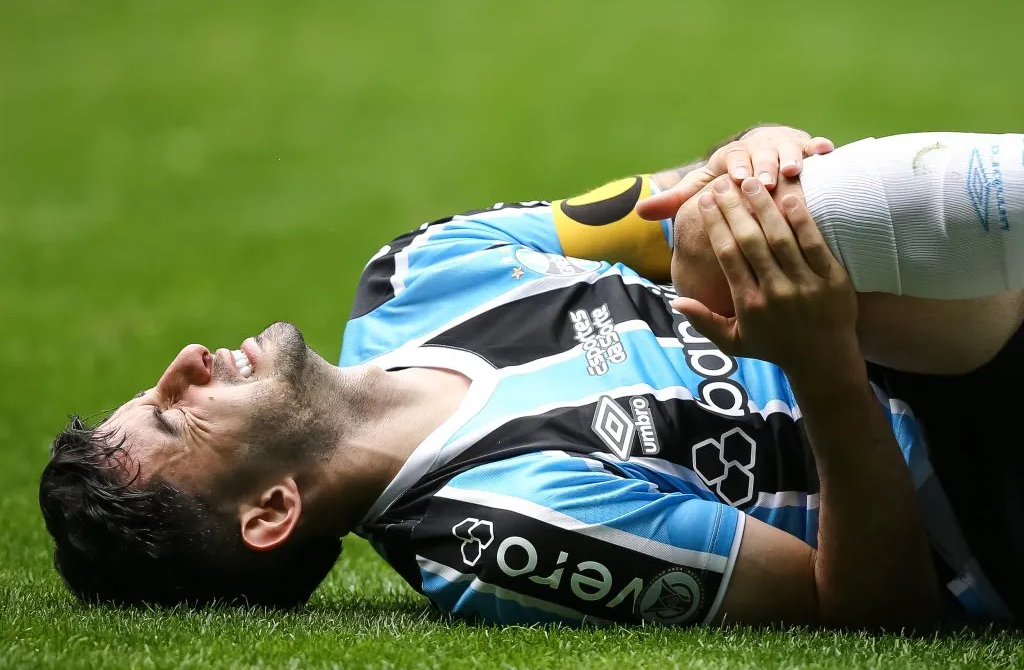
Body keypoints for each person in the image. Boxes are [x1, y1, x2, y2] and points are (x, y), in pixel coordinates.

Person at [38, 124, 1024, 631]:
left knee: (729, 236)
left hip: (938, 325)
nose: (182, 368)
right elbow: (869, 610)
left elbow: (681, 201)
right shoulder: (499, 536)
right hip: (975, 495)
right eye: (175, 420)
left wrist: (751, 156)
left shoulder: (423, 268)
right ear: (269, 513)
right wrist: (818, 366)